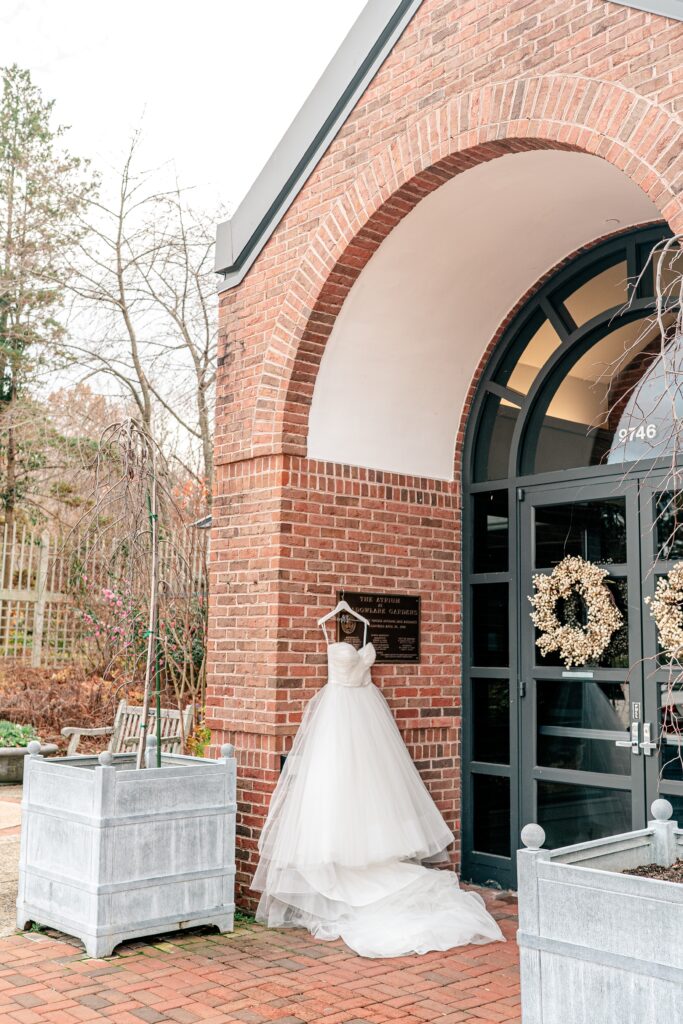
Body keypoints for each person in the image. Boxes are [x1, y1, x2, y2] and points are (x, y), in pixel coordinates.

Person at [252, 624, 504, 958]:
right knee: (338, 787)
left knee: (372, 788)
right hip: (338, 718)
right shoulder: (328, 629)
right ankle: (336, 858)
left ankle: (360, 860)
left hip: (367, 717)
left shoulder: (365, 627)